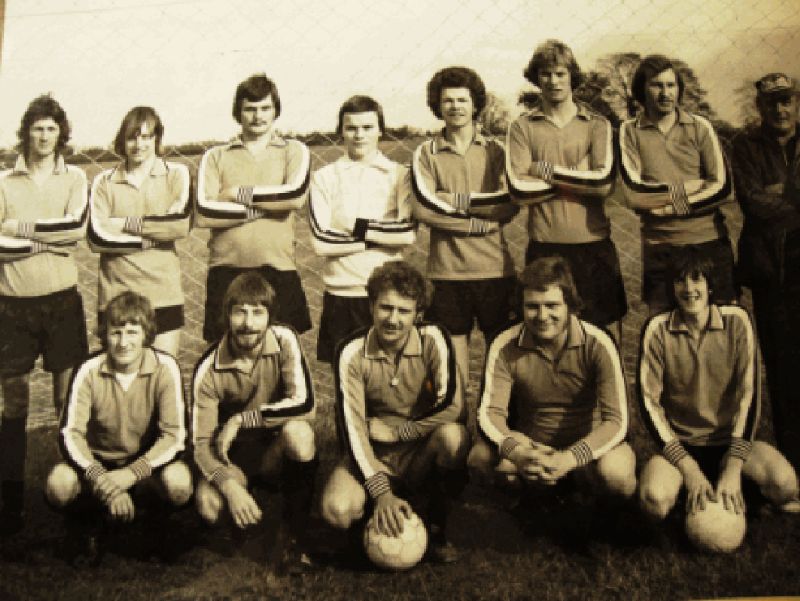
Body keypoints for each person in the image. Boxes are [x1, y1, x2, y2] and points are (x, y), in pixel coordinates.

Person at [637, 252, 800, 549]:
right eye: (680, 281)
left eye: (697, 279)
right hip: (683, 447)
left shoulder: (737, 321)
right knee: (653, 500)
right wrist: (688, 468)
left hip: (730, 443)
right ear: (672, 288)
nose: (689, 289)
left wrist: (734, 464)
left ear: (710, 285)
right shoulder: (657, 329)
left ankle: (737, 492)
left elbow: (750, 395)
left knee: (786, 485)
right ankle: (693, 493)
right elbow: (649, 404)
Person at [320, 260, 469, 563]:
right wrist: (381, 491)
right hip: (376, 454)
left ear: (419, 314)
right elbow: (353, 428)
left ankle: (437, 524)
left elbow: (453, 406)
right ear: (371, 305)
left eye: (404, 311)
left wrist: (404, 431)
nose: (393, 319)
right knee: (336, 511)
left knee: (453, 438)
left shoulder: (434, 339)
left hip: (421, 452)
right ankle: (374, 517)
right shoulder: (350, 351)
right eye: (386, 308)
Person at [468, 257, 635, 514]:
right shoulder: (505, 342)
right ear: (521, 307)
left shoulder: (598, 341)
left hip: (587, 449)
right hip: (531, 451)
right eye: (532, 307)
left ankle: (601, 519)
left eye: (552, 305)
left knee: (617, 474)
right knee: (480, 458)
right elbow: (490, 415)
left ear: (570, 305)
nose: (542, 316)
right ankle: (520, 512)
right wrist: (520, 453)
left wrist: (570, 458)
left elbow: (617, 421)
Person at [46, 291, 191, 562]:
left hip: (144, 467)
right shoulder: (88, 369)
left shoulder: (165, 366)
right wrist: (101, 477)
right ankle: (85, 523)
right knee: (59, 483)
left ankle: (154, 523)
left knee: (180, 482)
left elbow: (175, 436)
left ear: (146, 334)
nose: (124, 342)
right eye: (116, 332)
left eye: (132, 332)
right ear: (105, 334)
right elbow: (70, 434)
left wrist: (131, 475)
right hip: (99, 465)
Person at [0, 95, 89, 534]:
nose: (44, 136)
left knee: (67, 402)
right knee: (14, 402)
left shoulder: (74, 177)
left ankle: (73, 505)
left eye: (51, 128)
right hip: (12, 306)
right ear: (26, 132)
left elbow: (74, 232)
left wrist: (22, 232)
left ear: (61, 133)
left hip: (62, 303)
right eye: (37, 127)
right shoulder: (3, 181)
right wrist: (46, 238)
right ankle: (11, 509)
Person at [192, 272, 317, 572]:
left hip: (275, 447)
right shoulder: (208, 368)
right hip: (231, 454)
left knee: (299, 433)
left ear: (270, 318)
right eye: (240, 312)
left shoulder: (285, 339)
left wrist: (243, 419)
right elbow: (199, 443)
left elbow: (307, 405)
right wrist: (229, 486)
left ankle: (294, 539)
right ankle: (243, 522)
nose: (248, 323)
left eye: (258, 313)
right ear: (227, 317)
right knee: (209, 506)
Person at [506, 39, 626, 338]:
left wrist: (542, 170)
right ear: (537, 78)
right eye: (546, 74)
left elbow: (602, 185)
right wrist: (579, 175)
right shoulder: (523, 126)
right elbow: (519, 190)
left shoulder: (596, 124)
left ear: (572, 75)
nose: (553, 80)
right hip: (545, 247)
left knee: (599, 334)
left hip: (593, 244)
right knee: (546, 333)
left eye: (560, 73)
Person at [411, 66, 519, 389]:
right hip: (447, 273)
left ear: (475, 104)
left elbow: (508, 203)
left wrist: (451, 199)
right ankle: (460, 430)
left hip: (495, 270)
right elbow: (423, 208)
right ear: (438, 106)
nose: (455, 106)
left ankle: (496, 428)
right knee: (453, 367)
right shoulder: (426, 153)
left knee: (500, 358)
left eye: (462, 100)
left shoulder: (495, 150)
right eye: (448, 101)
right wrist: (475, 224)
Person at [196, 73, 312, 343]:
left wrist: (238, 194)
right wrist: (270, 207)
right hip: (226, 269)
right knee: (224, 358)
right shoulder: (216, 156)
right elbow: (205, 213)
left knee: (282, 355)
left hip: (278, 268)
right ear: (238, 112)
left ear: (276, 110)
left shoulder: (293, 150)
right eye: (250, 109)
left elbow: (294, 197)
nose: (258, 116)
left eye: (265, 108)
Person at [618, 54, 736, 313]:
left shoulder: (699, 126)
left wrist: (671, 208)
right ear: (642, 88)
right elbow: (635, 194)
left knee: (721, 324)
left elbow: (724, 188)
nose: (665, 93)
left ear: (679, 89)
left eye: (671, 85)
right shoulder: (629, 130)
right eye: (656, 85)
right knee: (663, 326)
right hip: (660, 247)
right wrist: (690, 187)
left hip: (708, 242)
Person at [309, 95, 415, 364]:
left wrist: (353, 228)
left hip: (387, 295)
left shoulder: (399, 174)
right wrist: (378, 237)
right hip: (341, 293)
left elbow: (406, 233)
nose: (359, 135)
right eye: (351, 128)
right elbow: (321, 242)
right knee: (345, 382)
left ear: (380, 129)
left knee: (391, 379)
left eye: (367, 127)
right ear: (341, 131)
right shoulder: (325, 176)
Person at [731, 73, 800, 471]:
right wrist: (792, 195)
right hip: (769, 269)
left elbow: (770, 197)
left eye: (787, 100)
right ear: (759, 107)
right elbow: (754, 204)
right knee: (782, 366)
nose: (780, 109)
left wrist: (780, 191)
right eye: (772, 102)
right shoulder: (745, 145)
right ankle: (792, 460)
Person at [88, 106, 191, 358]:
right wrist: (155, 236)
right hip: (116, 296)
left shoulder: (176, 174)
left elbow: (178, 225)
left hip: (163, 294)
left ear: (157, 139)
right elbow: (97, 238)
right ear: (122, 141)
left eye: (146, 137)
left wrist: (124, 223)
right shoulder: (104, 182)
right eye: (132, 137)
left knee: (163, 373)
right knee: (118, 382)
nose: (139, 144)